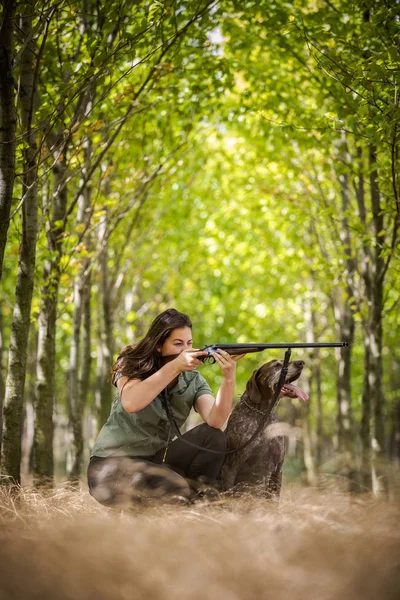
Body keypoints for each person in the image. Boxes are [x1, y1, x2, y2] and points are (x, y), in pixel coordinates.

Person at [87, 308, 245, 507]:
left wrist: (229, 378)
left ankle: (196, 506)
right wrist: (174, 367)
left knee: (212, 436)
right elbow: (131, 402)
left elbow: (216, 420)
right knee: (174, 486)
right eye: (177, 344)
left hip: (154, 464)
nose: (185, 349)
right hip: (110, 467)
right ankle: (177, 504)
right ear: (159, 346)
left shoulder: (193, 380)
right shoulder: (131, 364)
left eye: (189, 343)